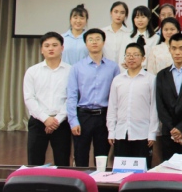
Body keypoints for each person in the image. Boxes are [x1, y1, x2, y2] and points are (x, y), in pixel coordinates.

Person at [67, 28, 120, 167]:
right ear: (86, 44)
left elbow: (117, 95)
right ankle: (80, 180)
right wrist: (73, 121)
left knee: (102, 157)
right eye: (90, 39)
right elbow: (72, 95)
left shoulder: (113, 67)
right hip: (83, 116)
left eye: (98, 39)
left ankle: (100, 180)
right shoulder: (77, 67)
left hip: (104, 116)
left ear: (103, 42)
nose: (94, 42)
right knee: (80, 156)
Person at [23, 32, 72, 166]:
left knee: (62, 162)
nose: (51, 48)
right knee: (34, 161)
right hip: (38, 122)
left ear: (62, 48)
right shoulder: (32, 71)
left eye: (55, 45)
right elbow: (29, 98)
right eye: (47, 45)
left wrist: (56, 120)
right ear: (41, 49)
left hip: (61, 123)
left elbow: (72, 98)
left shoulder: (71, 71)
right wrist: (45, 119)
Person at [107, 43, 158, 165]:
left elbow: (154, 108)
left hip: (142, 134)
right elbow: (112, 107)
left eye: (135, 55)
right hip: (121, 132)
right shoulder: (117, 80)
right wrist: (111, 131)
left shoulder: (151, 79)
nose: (131, 58)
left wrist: (152, 133)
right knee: (121, 170)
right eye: (128, 55)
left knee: (142, 170)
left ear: (143, 58)